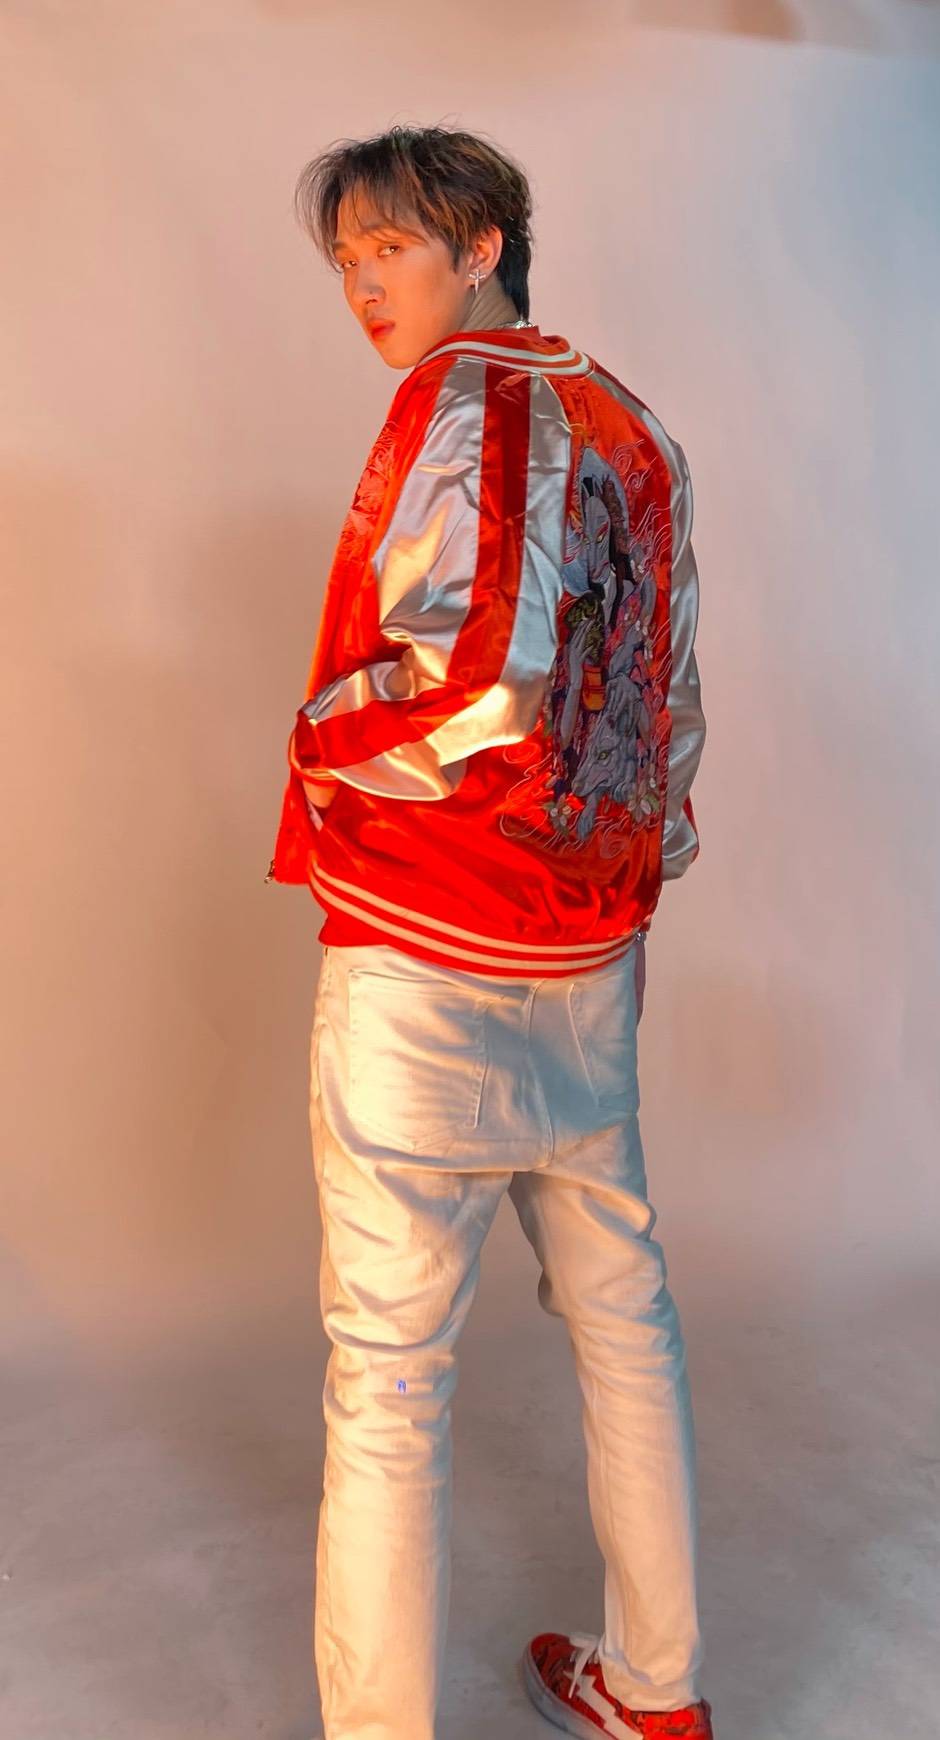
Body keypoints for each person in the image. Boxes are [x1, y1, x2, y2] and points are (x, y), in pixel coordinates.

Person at [266, 123, 711, 1740]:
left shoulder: (465, 402)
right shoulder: (634, 423)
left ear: (484, 243)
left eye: (392, 246)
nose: (363, 283)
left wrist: (316, 744)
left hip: (426, 958)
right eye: (346, 259)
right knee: (625, 1323)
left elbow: (482, 684)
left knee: (391, 1382)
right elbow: (665, 709)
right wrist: (628, 897)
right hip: (582, 959)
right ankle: (656, 1690)